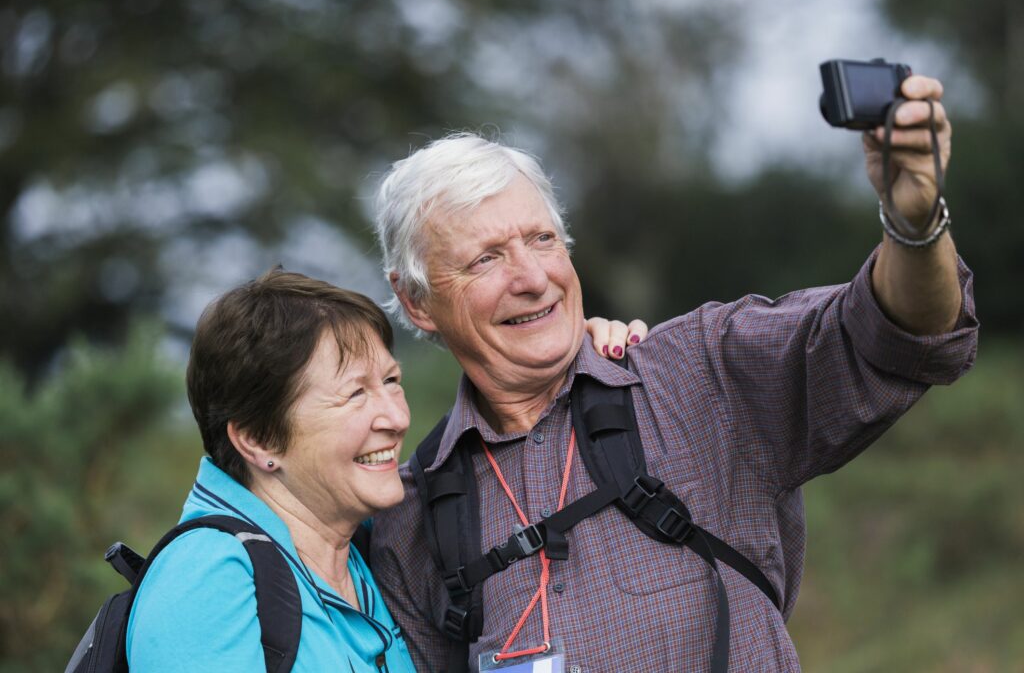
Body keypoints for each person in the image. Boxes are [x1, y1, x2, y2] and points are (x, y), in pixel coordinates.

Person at [368, 74, 979, 671]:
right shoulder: (409, 516)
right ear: (418, 301)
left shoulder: (699, 373)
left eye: (543, 239)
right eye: (486, 258)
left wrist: (916, 225)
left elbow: (892, 332)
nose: (532, 278)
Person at [125, 268, 643, 672]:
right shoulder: (210, 579)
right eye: (354, 394)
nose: (397, 418)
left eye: (391, 381)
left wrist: (570, 360)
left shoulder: (368, 551)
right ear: (259, 439)